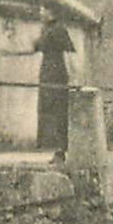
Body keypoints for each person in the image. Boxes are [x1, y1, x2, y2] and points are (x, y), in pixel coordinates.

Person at [32, 16, 76, 162]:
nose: (41, 12)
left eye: (44, 10)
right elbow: (36, 46)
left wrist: (73, 76)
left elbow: (69, 52)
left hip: (57, 74)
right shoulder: (45, 30)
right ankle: (54, 149)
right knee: (48, 111)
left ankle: (61, 150)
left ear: (52, 12)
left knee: (59, 113)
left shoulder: (59, 30)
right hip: (46, 73)